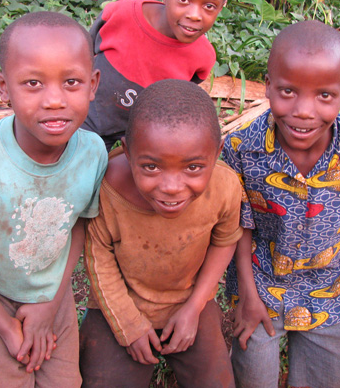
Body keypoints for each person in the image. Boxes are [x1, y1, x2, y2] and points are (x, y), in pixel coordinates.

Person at [0, 11, 107, 388]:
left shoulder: (93, 153)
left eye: (71, 82)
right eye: (33, 83)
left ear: (93, 84)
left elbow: (78, 225)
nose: (54, 100)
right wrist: (5, 327)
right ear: (3, 86)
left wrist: (50, 304)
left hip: (54, 298)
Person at [222, 20, 340, 388]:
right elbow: (238, 225)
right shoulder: (240, 149)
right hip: (261, 288)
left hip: (331, 289)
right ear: (267, 85)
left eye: (324, 95)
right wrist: (247, 294)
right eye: (288, 91)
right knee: (253, 377)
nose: (304, 111)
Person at [80, 80, 242, 388]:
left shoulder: (225, 187)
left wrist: (194, 307)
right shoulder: (106, 189)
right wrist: (128, 325)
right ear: (128, 153)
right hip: (119, 302)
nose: (171, 187)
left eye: (193, 167)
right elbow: (98, 260)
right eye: (152, 167)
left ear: (217, 153)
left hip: (189, 299)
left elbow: (225, 242)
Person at [82, 0, 230, 150]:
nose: (195, 15)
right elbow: (85, 52)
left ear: (221, 6)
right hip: (87, 116)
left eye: (209, 6)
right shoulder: (122, 14)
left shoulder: (202, 56)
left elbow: (179, 94)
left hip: (140, 139)